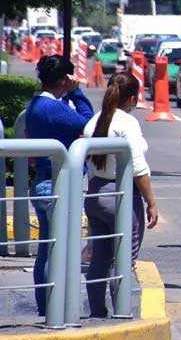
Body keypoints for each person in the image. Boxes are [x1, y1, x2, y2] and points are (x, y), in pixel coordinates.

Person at [83, 73, 158, 317]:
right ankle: (122, 314)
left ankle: (97, 312)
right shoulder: (127, 123)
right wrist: (151, 203)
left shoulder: (94, 120)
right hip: (121, 197)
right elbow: (138, 168)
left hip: (95, 195)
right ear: (133, 98)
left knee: (100, 260)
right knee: (124, 261)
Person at [24, 55, 95, 316]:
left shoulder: (38, 104)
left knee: (47, 247)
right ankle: (53, 307)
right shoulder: (52, 108)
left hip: (43, 183)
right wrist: (78, 94)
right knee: (56, 249)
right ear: (65, 80)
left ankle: (47, 304)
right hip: (55, 185)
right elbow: (88, 123)